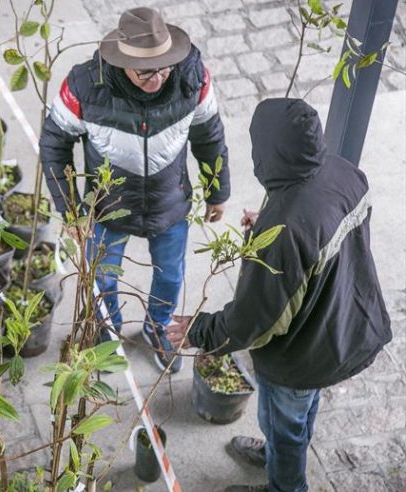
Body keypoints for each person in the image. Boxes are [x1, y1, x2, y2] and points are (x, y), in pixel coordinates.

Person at [167, 98, 392, 492]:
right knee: (302, 409)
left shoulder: (287, 228)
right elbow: (321, 231)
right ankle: (281, 457)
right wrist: (269, 221)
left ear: (267, 151)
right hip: (339, 329)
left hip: (300, 355)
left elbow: (259, 319)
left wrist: (201, 330)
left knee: (283, 423)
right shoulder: (343, 172)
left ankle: (285, 482)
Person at [38, 7, 230, 372]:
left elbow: (209, 135)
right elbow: (54, 144)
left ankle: (157, 328)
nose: (157, 78)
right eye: (146, 71)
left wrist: (218, 190)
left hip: (169, 201)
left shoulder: (193, 78)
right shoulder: (83, 85)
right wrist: (72, 211)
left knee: (171, 276)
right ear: (122, 62)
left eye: (163, 67)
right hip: (108, 207)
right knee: (103, 279)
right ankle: (107, 332)